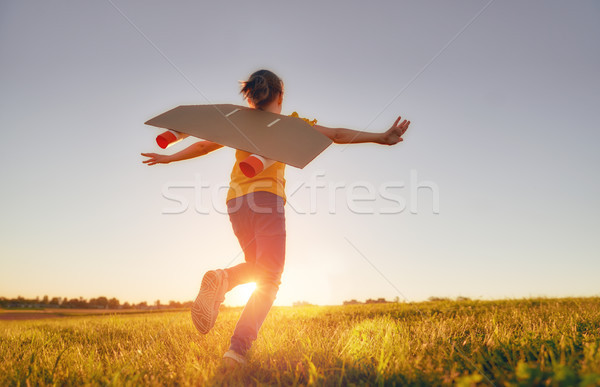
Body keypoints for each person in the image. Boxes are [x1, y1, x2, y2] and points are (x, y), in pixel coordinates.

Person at [141, 69, 411, 369]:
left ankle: (224, 281)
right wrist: (380, 138)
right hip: (267, 200)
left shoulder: (238, 121)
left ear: (252, 96)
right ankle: (237, 348)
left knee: (258, 269)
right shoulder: (292, 125)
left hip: (235, 202)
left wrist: (168, 157)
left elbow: (204, 144)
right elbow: (336, 135)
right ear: (280, 95)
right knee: (270, 278)